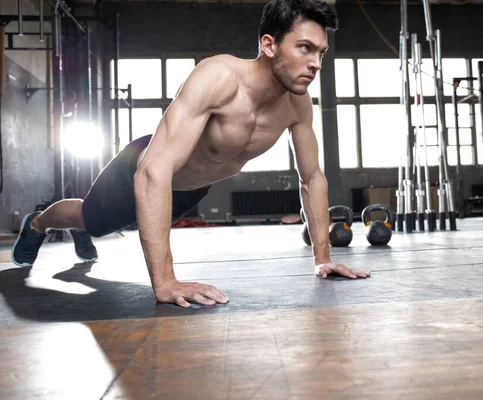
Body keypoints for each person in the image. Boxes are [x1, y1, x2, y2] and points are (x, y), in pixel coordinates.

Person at [11, 0, 370, 308]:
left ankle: (83, 228)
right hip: (143, 163)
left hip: (189, 187)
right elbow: (153, 171)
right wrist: (166, 281)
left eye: (320, 52)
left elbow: (312, 178)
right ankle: (39, 223)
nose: (316, 63)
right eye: (305, 48)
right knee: (92, 219)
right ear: (269, 44)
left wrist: (323, 258)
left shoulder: (297, 104)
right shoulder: (219, 77)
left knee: (119, 223)